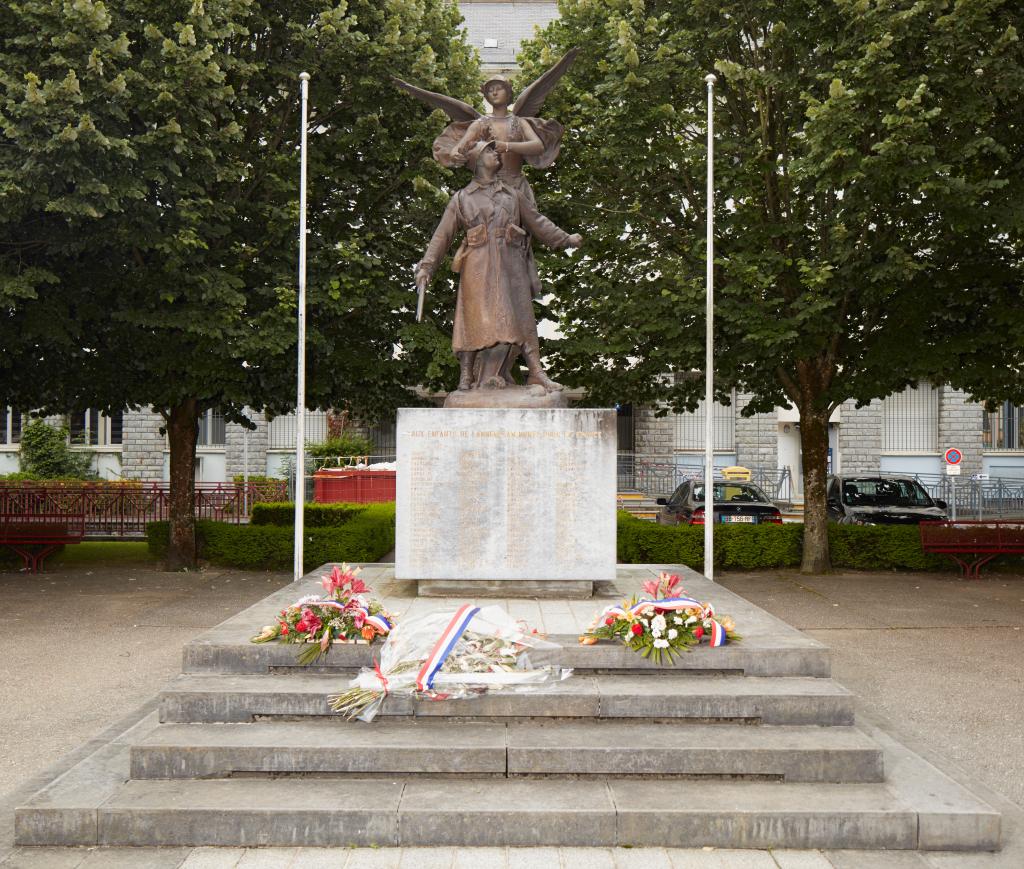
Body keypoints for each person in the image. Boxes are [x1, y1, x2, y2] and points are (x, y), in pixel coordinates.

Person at [415, 140, 582, 393]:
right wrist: (426, 267)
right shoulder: (461, 198)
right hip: (477, 265)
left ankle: (536, 372)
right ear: (477, 159)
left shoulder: (512, 194)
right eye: (490, 150)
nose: (497, 153)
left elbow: (537, 221)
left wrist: (565, 239)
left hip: (511, 263)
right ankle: (466, 375)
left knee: (523, 316)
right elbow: (442, 236)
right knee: (473, 317)